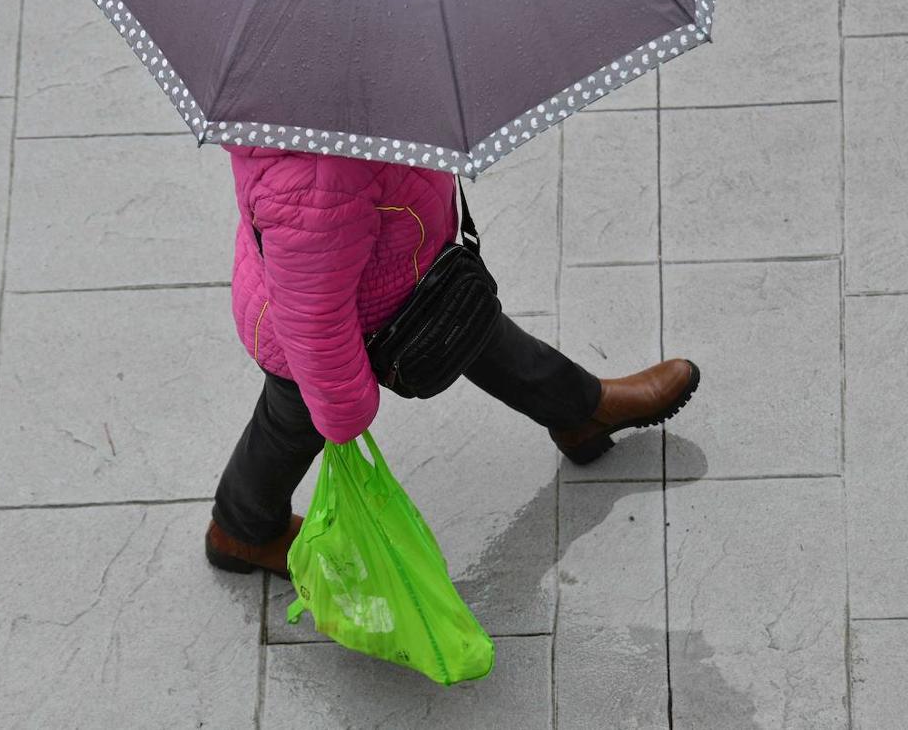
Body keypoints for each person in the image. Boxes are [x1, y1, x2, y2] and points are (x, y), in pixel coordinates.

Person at [205, 143, 699, 580]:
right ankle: (242, 529)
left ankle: (581, 411)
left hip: (410, 281)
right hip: (323, 340)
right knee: (290, 423)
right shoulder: (314, 183)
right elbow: (313, 317)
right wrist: (343, 409)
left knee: (478, 332)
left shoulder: (358, 115)